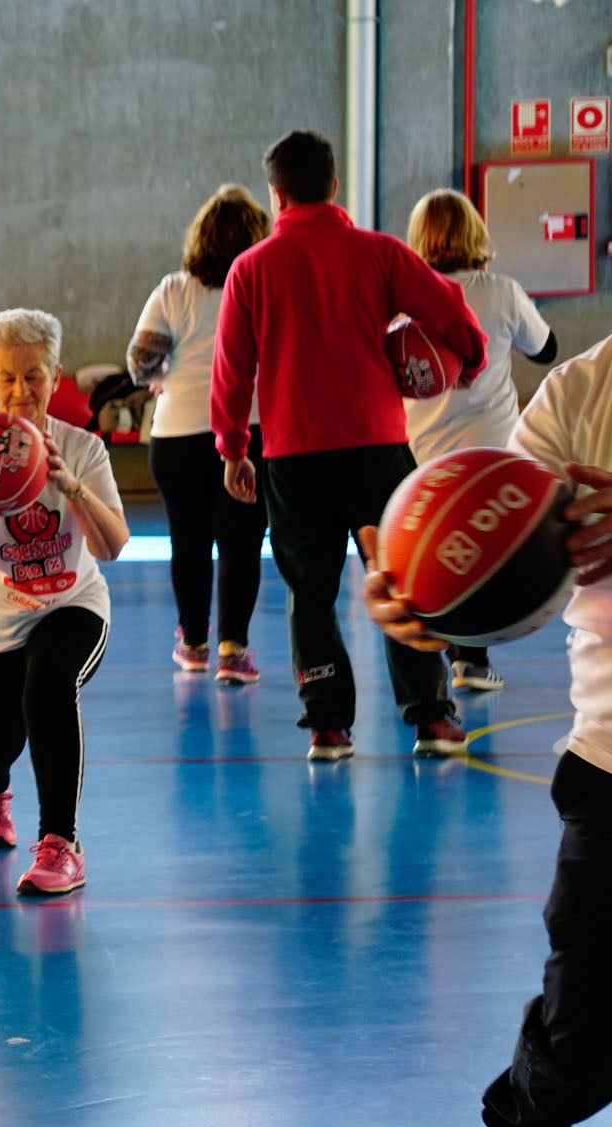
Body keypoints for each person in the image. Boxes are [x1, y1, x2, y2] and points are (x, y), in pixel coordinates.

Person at [359, 329, 612, 1127]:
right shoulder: (584, 394)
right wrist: (418, 598)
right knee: (584, 1032)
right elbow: (488, 543)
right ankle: (526, 1123)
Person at [211, 130, 487, 761]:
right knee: (404, 579)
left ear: (276, 196)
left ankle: (328, 727)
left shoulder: (250, 270)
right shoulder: (380, 253)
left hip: (292, 457)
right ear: (335, 185)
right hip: (376, 452)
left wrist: (233, 449)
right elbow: (449, 306)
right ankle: (432, 718)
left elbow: (233, 370)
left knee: (310, 593)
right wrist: (468, 358)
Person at [0, 309, 129, 896]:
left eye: (34, 375)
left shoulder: (83, 448)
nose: (21, 390)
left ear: (56, 376)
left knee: (48, 685)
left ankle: (61, 844)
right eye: (7, 377)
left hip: (71, 604)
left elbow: (113, 545)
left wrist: (73, 488)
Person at [403, 188, 559, 693]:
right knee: (483, 557)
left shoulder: (402, 299)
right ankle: (471, 658)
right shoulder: (502, 290)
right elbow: (546, 348)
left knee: (430, 558)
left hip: (420, 449)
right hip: (492, 449)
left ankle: (433, 666)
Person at [128, 185, 272, 685]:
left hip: (177, 432)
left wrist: (159, 378)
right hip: (249, 429)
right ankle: (234, 650)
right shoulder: (265, 285)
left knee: (186, 542)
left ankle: (193, 643)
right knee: (242, 543)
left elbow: (139, 361)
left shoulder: (174, 289)